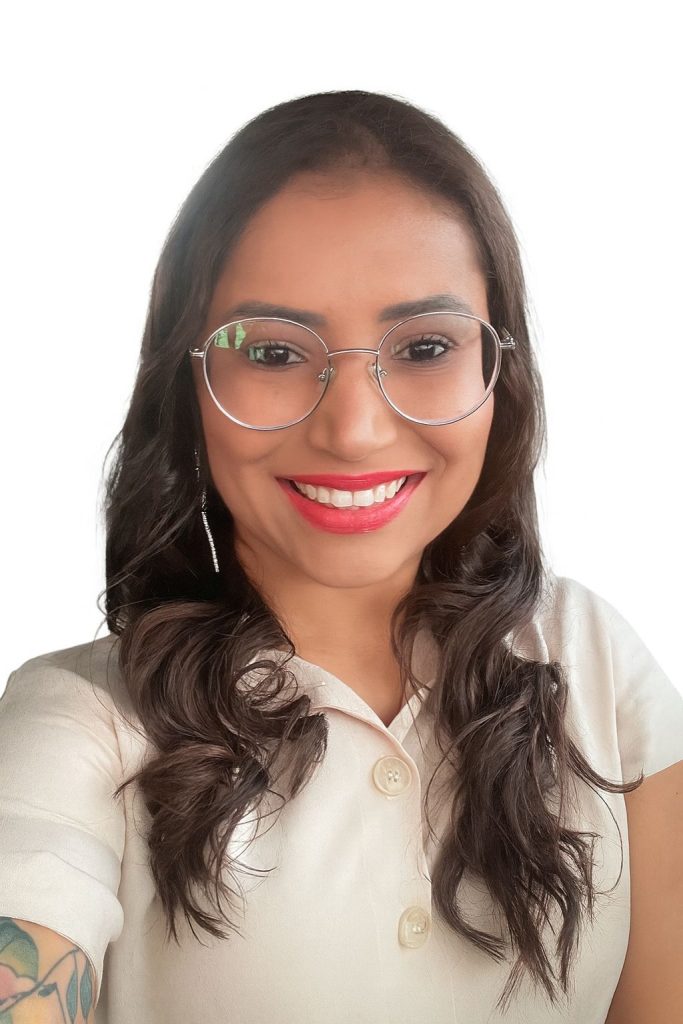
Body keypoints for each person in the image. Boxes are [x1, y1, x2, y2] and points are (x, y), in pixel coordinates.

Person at [0, 90, 681, 1024]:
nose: (353, 431)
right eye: (274, 353)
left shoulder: (591, 657)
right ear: (187, 381)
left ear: (501, 370)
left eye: (426, 346)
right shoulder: (79, 721)